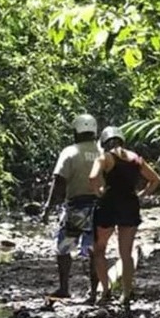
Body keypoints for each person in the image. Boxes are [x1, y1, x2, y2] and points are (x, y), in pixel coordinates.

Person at [89, 125, 160, 307]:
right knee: (126, 253)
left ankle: (105, 290)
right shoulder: (136, 159)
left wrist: (98, 192)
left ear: (104, 142)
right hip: (130, 204)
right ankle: (126, 293)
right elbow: (156, 180)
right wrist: (142, 195)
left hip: (109, 204)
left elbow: (92, 177)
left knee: (99, 249)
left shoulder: (104, 157)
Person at [41, 113, 102, 299]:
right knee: (95, 249)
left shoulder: (70, 152)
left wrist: (48, 207)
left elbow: (59, 181)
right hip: (100, 207)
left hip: (76, 207)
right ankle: (94, 291)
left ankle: (64, 288)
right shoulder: (103, 152)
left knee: (64, 247)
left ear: (76, 131)